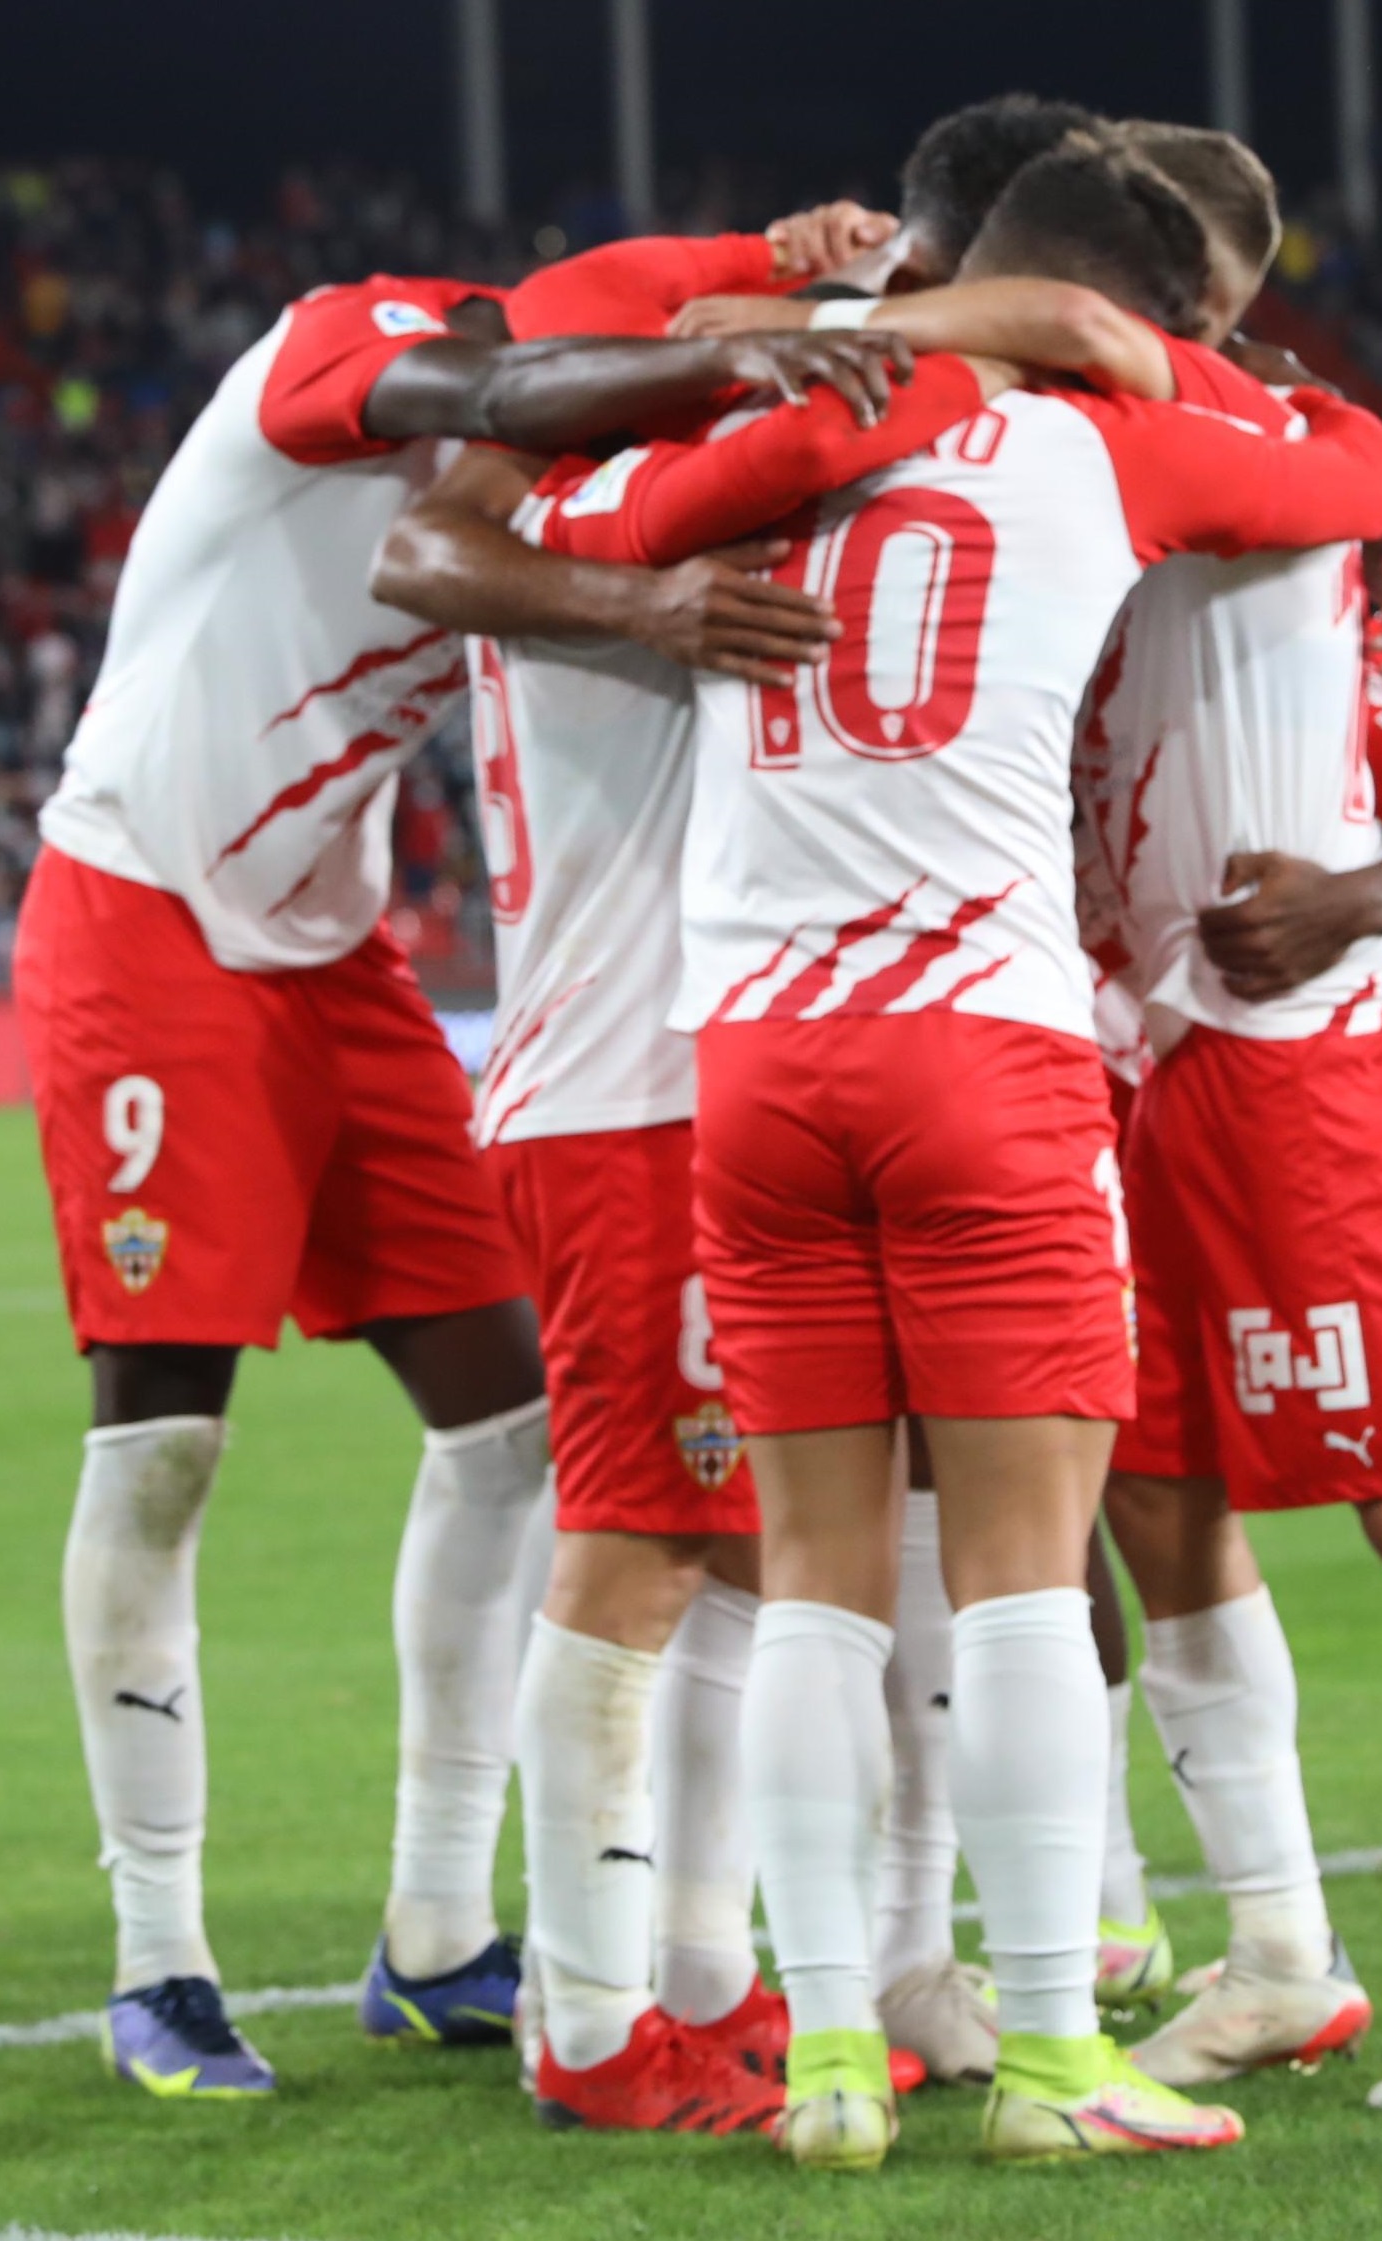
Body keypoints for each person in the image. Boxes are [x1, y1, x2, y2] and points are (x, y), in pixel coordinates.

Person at [531, 140, 1382, 2169]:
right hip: (978, 1054)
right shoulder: (1119, 447)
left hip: (753, 1064)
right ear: (1110, 314)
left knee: (822, 1587)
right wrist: (1148, 365)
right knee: (1019, 1577)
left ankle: (831, 2060)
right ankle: (1044, 2057)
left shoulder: (778, 424)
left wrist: (819, 338)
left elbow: (603, 499)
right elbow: (1352, 478)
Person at [13, 269, 909, 2100]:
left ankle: (434, 1933)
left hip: (335, 953)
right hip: (144, 913)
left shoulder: (562, 465)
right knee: (163, 1441)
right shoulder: (360, 338)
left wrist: (803, 274)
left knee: (516, 1437)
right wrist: (724, 344)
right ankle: (158, 1957)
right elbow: (511, 372)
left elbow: (645, 344)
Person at [944, 123, 1382, 2112]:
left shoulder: (1246, 438)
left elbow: (1361, 481)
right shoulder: (1070, 465)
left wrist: (1342, 893)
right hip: (1143, 1055)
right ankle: (1272, 1950)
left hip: (1309, 1060)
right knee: (1152, 1498)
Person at [360, 202, 930, 2134]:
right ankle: (591, 2020)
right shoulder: (606, 514)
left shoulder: (622, 498)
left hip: (698, 1070)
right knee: (628, 1547)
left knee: (742, 1553)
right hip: (629, 1083)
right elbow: (425, 540)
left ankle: (695, 1973)